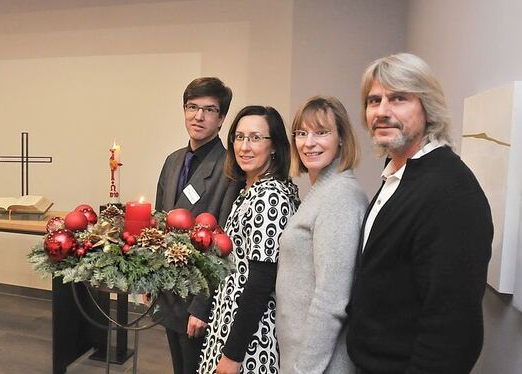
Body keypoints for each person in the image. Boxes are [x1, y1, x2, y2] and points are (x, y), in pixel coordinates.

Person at [346, 53, 493, 373]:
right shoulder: (397, 174)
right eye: (374, 100)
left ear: (428, 107)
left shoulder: (451, 193)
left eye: (398, 98)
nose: (382, 111)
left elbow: (454, 335)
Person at [199, 105, 300, 374]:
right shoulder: (251, 189)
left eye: (255, 138)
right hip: (230, 326)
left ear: (275, 146)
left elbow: (260, 282)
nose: (245, 146)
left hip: (250, 341)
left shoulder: (270, 197)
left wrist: (233, 355)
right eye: (239, 137)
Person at [155, 77, 242, 374]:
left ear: (221, 119)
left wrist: (200, 307)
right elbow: (158, 224)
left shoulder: (230, 167)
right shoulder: (173, 161)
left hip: (198, 300)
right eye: (192, 107)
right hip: (169, 292)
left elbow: (224, 245)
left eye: (209, 109)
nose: (198, 116)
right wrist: (151, 280)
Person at [276, 96, 368, 374]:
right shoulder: (322, 192)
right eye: (301, 133)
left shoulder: (340, 196)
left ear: (341, 138)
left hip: (319, 365)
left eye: (321, 132)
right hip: (302, 356)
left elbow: (331, 298)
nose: (309, 142)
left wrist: (304, 369)